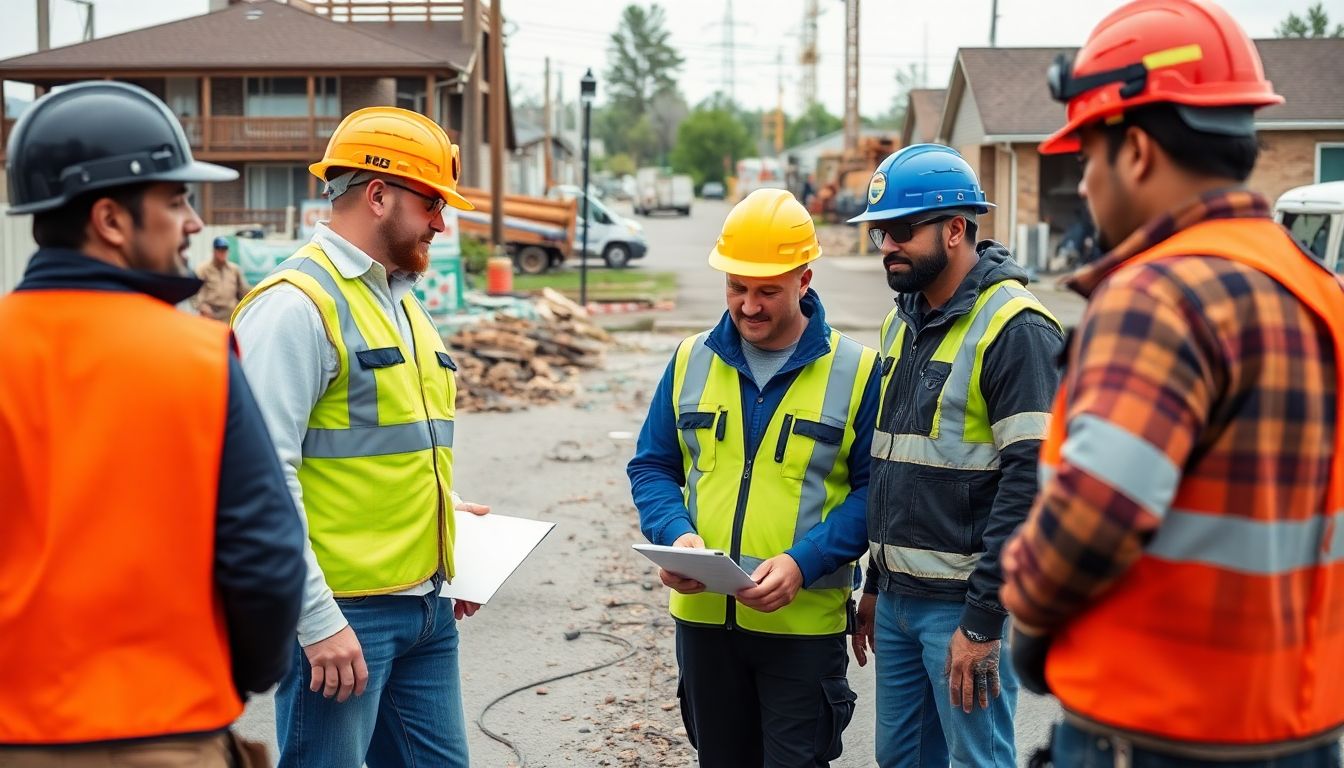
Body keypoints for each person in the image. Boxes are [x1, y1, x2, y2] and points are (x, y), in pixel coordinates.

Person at [999, 1, 1344, 765]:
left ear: (1140, 152)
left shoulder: (1160, 296)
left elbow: (1096, 514)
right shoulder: (1320, 292)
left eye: (1087, 157)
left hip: (1154, 731)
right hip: (1303, 730)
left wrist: (1024, 610)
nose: (1084, 184)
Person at [0, 81, 305, 766]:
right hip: (168, 730)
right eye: (175, 201)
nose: (192, 222)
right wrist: (241, 676)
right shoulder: (196, 356)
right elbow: (264, 557)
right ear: (111, 219)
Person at [231, 105, 485, 767]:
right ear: (378, 195)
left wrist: (445, 519)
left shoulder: (402, 302)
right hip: (345, 619)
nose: (441, 221)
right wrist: (316, 622)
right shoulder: (293, 307)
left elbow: (376, 449)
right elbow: (258, 481)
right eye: (431, 202)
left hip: (428, 608)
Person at [627, 188, 881, 768]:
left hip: (801, 627)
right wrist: (676, 536)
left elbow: (875, 493)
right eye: (737, 287)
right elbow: (653, 465)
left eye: (768, 290)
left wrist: (803, 562)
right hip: (704, 625)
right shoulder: (691, 358)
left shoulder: (858, 371)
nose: (749, 306)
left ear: (805, 280)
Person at [846, 143, 1063, 768]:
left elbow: (1033, 485)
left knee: (976, 762)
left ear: (955, 229)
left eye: (901, 231)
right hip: (899, 602)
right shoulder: (902, 320)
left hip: (963, 606)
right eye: (880, 232)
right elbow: (892, 463)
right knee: (902, 761)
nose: (886, 244)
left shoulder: (1015, 328)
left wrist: (983, 620)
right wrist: (876, 584)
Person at [195, 235, 249, 320]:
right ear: (214, 251)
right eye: (220, 250)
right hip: (210, 314)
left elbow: (243, 291)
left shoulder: (234, 269)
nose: (222, 253)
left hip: (230, 314)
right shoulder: (203, 269)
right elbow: (194, 292)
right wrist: (202, 306)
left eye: (225, 250)